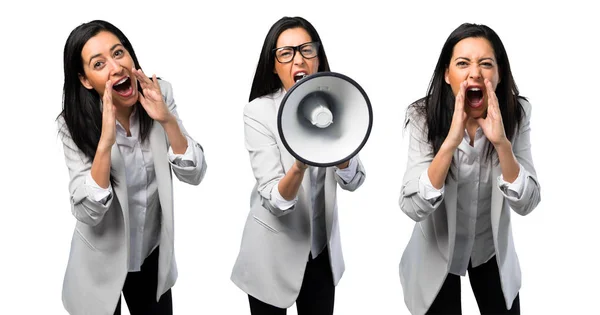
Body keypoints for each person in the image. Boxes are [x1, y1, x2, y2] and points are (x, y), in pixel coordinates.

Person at [57, 20, 207, 315]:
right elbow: (88, 211)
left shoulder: (159, 91)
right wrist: (105, 142)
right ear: (86, 80)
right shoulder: (72, 123)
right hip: (99, 261)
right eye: (98, 64)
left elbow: (195, 173)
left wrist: (167, 120)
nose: (115, 67)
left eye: (118, 53)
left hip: (151, 252)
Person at [398, 23, 541, 315]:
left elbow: (528, 203)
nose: (474, 72)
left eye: (486, 64)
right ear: (447, 75)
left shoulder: (517, 114)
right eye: (462, 63)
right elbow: (412, 206)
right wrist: (450, 142)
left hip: (490, 250)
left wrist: (502, 143)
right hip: (437, 253)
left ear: (499, 75)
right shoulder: (422, 117)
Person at [230, 16, 366, 315]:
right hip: (271, 256)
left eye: (307, 50)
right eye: (286, 53)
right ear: (274, 65)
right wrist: (300, 163)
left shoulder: (338, 103)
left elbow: (353, 180)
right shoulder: (258, 112)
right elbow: (275, 201)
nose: (298, 60)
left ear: (318, 57)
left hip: (320, 254)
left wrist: (340, 146)